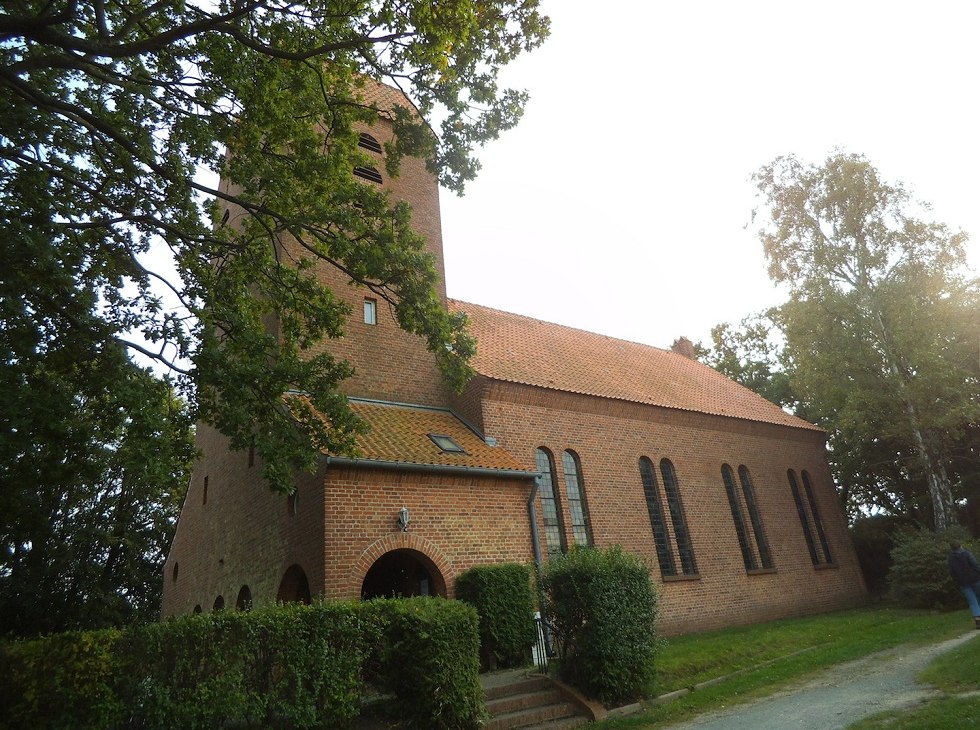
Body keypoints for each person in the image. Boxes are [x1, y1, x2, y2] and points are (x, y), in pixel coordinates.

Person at [948, 541, 980, 629]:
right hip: (975, 579)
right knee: (979, 597)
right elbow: (975, 565)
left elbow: (952, 572)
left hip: (963, 582)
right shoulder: (967, 554)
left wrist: (957, 580)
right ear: (960, 546)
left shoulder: (951, 558)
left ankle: (977, 619)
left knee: (972, 601)